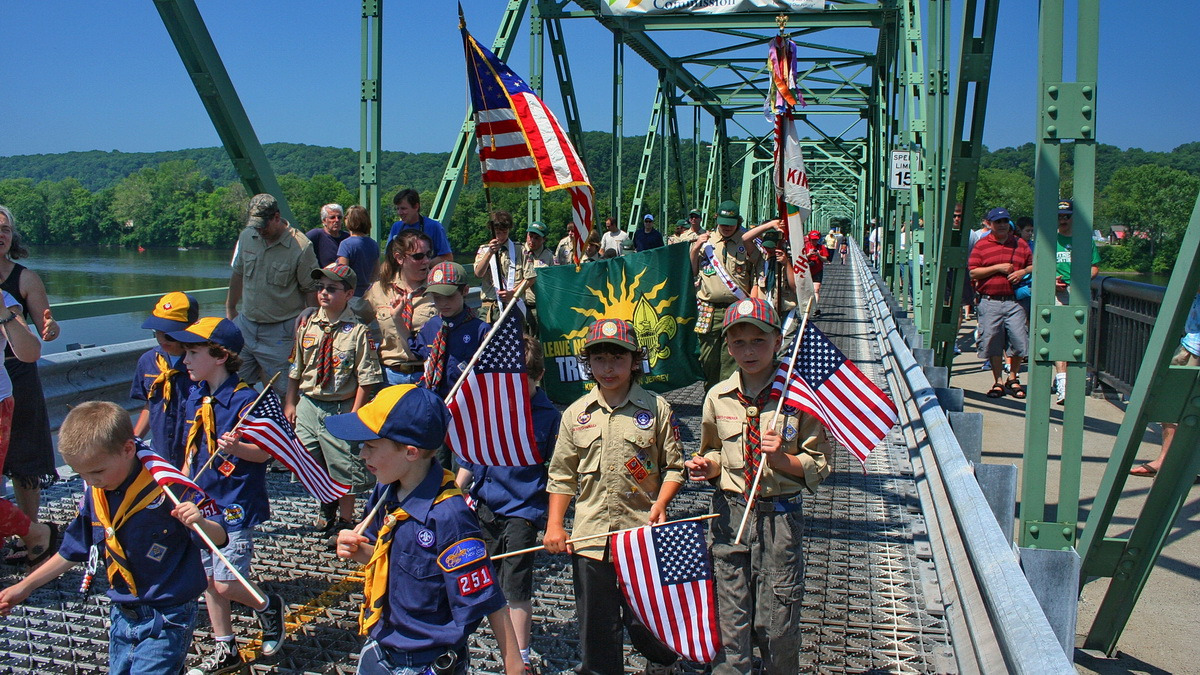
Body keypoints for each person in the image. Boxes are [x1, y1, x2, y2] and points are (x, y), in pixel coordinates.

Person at [0, 401, 228, 675]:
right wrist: (24, 587)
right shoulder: (97, 493)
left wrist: (198, 521)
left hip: (167, 614)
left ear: (128, 449)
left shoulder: (167, 490)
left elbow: (219, 537)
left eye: (97, 471)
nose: (91, 480)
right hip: (122, 612)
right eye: (80, 473)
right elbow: (73, 549)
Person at [329, 385, 523, 675]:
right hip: (382, 646)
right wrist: (358, 550)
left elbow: (487, 597)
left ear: (410, 452)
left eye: (370, 445)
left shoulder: (449, 517)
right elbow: (384, 559)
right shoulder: (386, 490)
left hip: (424, 661)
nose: (361, 454)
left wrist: (514, 666)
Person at [684, 297, 831, 674]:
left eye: (758, 341)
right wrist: (707, 465)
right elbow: (715, 449)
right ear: (728, 345)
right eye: (738, 342)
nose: (747, 351)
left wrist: (782, 459)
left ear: (778, 341)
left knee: (777, 618)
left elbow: (819, 464)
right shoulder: (718, 396)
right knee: (731, 611)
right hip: (731, 514)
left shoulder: (799, 399)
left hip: (778, 519)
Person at [543, 318, 684, 675]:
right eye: (599, 359)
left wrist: (661, 504)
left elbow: (674, 467)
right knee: (597, 629)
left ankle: (664, 661)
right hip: (591, 540)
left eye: (618, 358)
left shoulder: (655, 409)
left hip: (640, 537)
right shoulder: (576, 415)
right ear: (587, 363)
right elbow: (561, 475)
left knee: (646, 622)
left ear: (635, 361)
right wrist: (556, 525)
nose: (608, 368)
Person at [169, 317, 287, 673]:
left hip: (235, 503)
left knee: (225, 581)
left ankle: (267, 605)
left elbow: (265, 453)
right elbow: (192, 450)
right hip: (202, 501)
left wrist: (239, 447)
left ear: (220, 355)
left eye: (193, 352)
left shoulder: (245, 400)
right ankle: (226, 646)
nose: (185, 360)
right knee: (206, 578)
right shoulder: (196, 395)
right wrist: (183, 484)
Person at [456, 335, 559, 672]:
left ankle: (521, 659)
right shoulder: (491, 405)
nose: (513, 390)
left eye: (522, 382)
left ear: (538, 377)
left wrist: (553, 518)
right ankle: (457, 644)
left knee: (515, 586)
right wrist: (455, 495)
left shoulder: (548, 417)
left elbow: (557, 470)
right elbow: (470, 459)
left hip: (523, 511)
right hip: (483, 504)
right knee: (476, 579)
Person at [285, 263, 383, 541]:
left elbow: (367, 379)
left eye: (331, 288)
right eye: (320, 288)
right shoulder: (307, 326)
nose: (324, 293)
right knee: (308, 459)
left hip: (340, 406)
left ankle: (345, 519)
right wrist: (290, 403)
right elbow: (295, 367)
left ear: (349, 293)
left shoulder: (358, 332)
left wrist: (355, 414)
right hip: (309, 403)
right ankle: (325, 504)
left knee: (344, 465)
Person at [0, 205, 60, 562]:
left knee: (24, 460)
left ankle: (31, 532)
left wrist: (51, 330)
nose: (1, 235)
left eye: (5, 229)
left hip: (15, 375)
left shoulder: (22, 280)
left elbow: (44, 331)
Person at [226, 193, 320, 399]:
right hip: (246, 326)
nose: (259, 231)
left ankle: (288, 430)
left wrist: (309, 332)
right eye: (255, 226)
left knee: (287, 394)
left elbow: (311, 291)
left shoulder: (301, 246)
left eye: (263, 226)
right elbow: (238, 273)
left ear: (276, 217)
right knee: (229, 387)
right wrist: (230, 309)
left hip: (281, 333)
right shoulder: (247, 237)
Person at [691, 200, 762, 391]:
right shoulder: (707, 240)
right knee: (708, 360)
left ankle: (728, 399)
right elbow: (691, 271)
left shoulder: (747, 241)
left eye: (731, 223)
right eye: (723, 223)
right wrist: (696, 247)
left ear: (738, 221)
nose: (726, 227)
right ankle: (712, 398)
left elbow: (758, 273)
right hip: (709, 309)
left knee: (733, 360)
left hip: (736, 307)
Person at [1131, 292, 1200, 477]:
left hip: (1195, 349)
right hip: (1190, 345)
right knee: (1169, 407)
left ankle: (1173, 464)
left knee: (1174, 407)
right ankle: (1167, 461)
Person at [968, 207, 1033, 399]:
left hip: (1015, 302)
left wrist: (1022, 272)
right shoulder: (982, 245)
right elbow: (973, 272)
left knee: (1019, 340)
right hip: (990, 301)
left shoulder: (1020, 244)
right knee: (992, 341)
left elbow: (1033, 263)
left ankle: (1013, 378)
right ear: (990, 224)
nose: (1002, 225)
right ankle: (997, 381)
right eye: (998, 222)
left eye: (1005, 221)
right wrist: (997, 268)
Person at [131, 292, 199, 467]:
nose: (162, 339)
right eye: (157, 332)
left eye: (169, 334)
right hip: (161, 453)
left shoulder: (203, 363)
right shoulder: (148, 361)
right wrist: (134, 440)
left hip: (195, 456)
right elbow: (149, 404)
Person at [364, 231, 438, 386]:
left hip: (427, 375)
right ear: (399, 258)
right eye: (418, 256)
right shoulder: (380, 290)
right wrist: (312, 310)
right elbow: (352, 315)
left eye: (428, 254)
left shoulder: (439, 290)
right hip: (390, 376)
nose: (426, 261)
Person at [1052, 198, 1100, 405]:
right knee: (1058, 336)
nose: (1063, 219)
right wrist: (1051, 280)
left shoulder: (1085, 240)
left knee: (1076, 339)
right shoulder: (1049, 239)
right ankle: (1063, 382)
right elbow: (1038, 266)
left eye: (1067, 216)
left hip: (1078, 293)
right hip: (1057, 292)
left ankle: (1068, 378)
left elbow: (1095, 267)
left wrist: (1082, 279)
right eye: (1060, 216)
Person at [474, 211, 526, 323]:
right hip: (490, 306)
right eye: (497, 233)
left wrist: (513, 293)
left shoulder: (520, 250)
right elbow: (478, 274)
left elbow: (530, 278)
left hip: (513, 303)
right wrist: (489, 253)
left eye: (504, 232)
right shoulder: (483, 250)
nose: (501, 236)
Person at [336, 205, 381, 322]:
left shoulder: (346, 244)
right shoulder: (373, 244)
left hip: (351, 297)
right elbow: (376, 274)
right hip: (368, 298)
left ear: (349, 220)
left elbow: (343, 273)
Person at [387, 189, 453, 263]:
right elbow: (389, 256)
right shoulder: (396, 227)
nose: (399, 212)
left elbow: (447, 257)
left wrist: (423, 264)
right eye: (397, 209)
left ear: (416, 206)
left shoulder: (434, 226)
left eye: (403, 208)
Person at [522, 221, 555, 333]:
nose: (532, 241)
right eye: (530, 236)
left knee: (535, 342)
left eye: (537, 238)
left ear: (543, 239)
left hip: (538, 307)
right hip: (520, 304)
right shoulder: (518, 252)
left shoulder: (549, 256)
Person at [306, 203, 349, 267]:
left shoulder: (347, 238)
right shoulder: (316, 235)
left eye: (339, 217)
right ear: (324, 220)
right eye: (332, 217)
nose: (336, 220)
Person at [802, 230, 829, 313]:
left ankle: (814, 308)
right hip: (807, 271)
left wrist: (818, 255)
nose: (814, 241)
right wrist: (809, 254)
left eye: (816, 239)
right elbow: (800, 259)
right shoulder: (805, 247)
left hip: (817, 270)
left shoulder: (821, 247)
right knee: (806, 291)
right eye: (813, 239)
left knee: (816, 290)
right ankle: (807, 308)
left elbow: (825, 259)